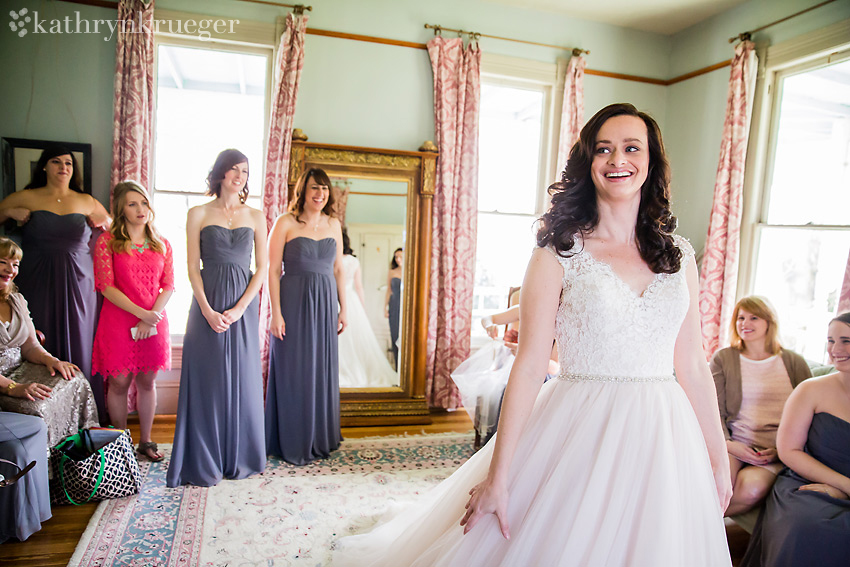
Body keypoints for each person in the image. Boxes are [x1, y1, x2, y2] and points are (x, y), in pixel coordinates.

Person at [333, 103, 732, 566]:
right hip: (580, 424)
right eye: (603, 149)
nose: (617, 160)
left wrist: (717, 457)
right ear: (589, 163)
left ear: (651, 161)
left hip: (665, 433)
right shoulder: (557, 253)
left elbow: (694, 365)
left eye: (630, 148)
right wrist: (499, 477)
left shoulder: (679, 255)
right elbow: (527, 367)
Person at [167, 149, 268, 487]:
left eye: (245, 171)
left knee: (241, 380)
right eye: (233, 169)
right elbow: (191, 268)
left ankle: (240, 456)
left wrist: (240, 309)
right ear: (220, 173)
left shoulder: (255, 216)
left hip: (242, 305)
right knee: (209, 381)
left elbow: (263, 268)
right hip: (205, 305)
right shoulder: (197, 213)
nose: (239, 176)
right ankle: (204, 459)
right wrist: (208, 310)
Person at [0, 145, 111, 420]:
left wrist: (104, 220)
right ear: (44, 167)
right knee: (38, 336)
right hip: (38, 277)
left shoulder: (85, 200)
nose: (64, 167)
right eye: (57, 162)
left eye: (69, 163)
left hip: (79, 282)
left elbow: (112, 225)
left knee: (81, 343)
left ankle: (85, 417)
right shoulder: (26, 196)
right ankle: (40, 413)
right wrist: (12, 212)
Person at [741, 312, 850, 567]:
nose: (835, 349)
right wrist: (844, 486)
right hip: (809, 482)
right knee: (810, 526)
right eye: (831, 340)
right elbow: (789, 450)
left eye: (846, 341)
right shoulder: (811, 390)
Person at [265, 167, 347, 465]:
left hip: (325, 302)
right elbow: (273, 271)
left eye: (325, 189)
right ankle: (290, 438)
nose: (320, 194)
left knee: (320, 368)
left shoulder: (334, 224)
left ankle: (320, 436)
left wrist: (344, 307)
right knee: (294, 368)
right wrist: (276, 313)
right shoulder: (285, 222)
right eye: (314, 188)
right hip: (293, 300)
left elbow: (338, 269)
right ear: (303, 190)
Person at [92, 181, 173, 462]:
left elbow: (169, 285)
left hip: (154, 321)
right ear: (121, 210)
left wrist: (151, 318)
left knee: (148, 382)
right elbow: (106, 286)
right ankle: (121, 443)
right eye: (132, 204)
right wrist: (142, 314)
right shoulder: (107, 242)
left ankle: (146, 441)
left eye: (144, 202)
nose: (140, 209)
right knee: (118, 383)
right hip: (118, 320)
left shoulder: (162, 243)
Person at [711, 296, 812, 517]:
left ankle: (696, 531)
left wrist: (781, 451)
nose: (745, 324)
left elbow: (810, 415)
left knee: (750, 489)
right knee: (715, 482)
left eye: (753, 317)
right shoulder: (724, 358)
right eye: (740, 318)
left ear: (769, 321)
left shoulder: (794, 362)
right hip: (735, 444)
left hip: (775, 451)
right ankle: (695, 535)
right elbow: (713, 409)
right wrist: (728, 444)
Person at [0, 237, 98, 446]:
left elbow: (30, 346)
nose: (10, 269)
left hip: (21, 369)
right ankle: (44, 469)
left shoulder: (16, 300)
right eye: (2, 262)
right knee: (38, 406)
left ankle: (76, 459)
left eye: (15, 264)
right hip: (3, 383)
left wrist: (51, 361)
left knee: (74, 379)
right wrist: (13, 387)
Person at [338, 228, 398, 388]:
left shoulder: (333, 259)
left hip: (336, 300)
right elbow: (359, 287)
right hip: (352, 301)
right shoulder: (353, 261)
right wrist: (362, 308)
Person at [385, 247, 403, 369]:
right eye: (396, 256)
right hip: (394, 304)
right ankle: (397, 368)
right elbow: (388, 290)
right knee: (395, 335)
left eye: (400, 256)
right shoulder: (392, 272)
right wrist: (385, 307)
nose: (398, 259)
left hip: (405, 305)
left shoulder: (410, 271)